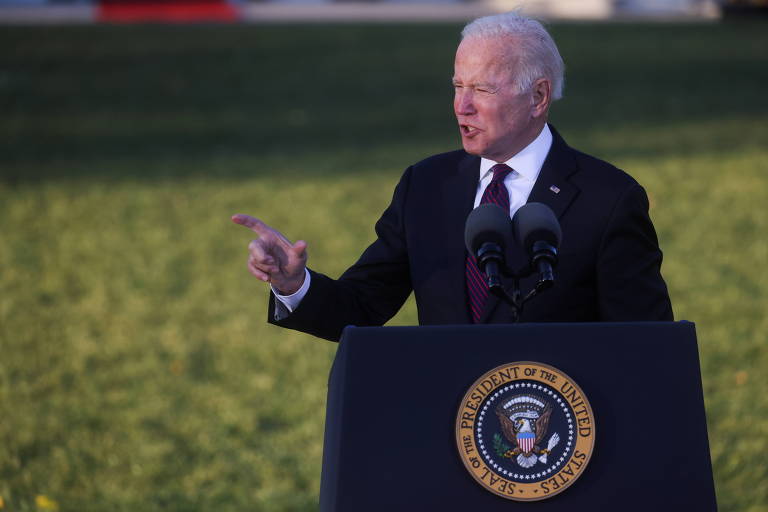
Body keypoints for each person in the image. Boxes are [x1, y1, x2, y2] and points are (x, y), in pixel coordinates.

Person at [232, 12, 673, 342]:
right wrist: (293, 284)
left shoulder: (608, 199)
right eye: (458, 86)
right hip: (450, 435)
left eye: (482, 89)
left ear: (537, 97)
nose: (462, 106)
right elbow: (361, 307)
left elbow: (644, 347)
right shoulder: (426, 186)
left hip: (557, 443)